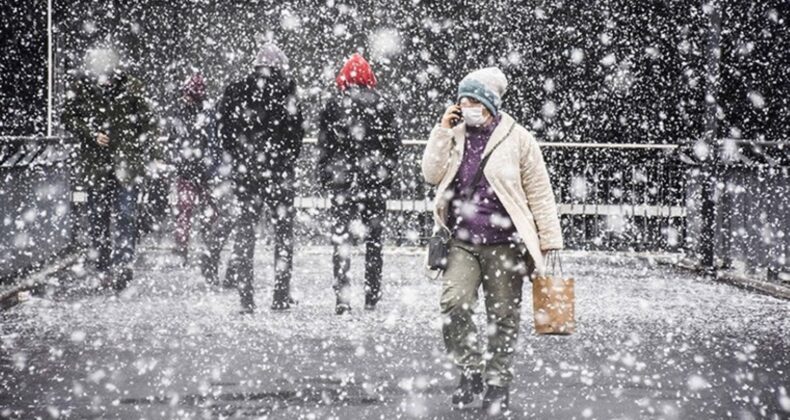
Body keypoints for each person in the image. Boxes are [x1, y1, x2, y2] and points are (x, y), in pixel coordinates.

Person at [421, 67, 563, 413]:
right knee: (454, 304)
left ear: (489, 103)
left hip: (505, 243)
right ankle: (471, 369)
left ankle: (498, 384)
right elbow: (430, 173)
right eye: (462, 101)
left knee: (502, 316)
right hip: (462, 240)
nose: (466, 107)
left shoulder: (518, 139)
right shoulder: (454, 134)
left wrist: (549, 240)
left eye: (473, 101)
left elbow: (540, 192)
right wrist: (442, 131)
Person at [212, 41, 305, 313]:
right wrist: (284, 158)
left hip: (246, 173)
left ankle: (246, 298)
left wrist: (241, 158)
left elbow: (224, 130)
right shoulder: (287, 92)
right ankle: (280, 294)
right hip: (278, 173)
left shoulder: (237, 90)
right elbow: (296, 133)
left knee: (245, 232)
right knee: (283, 234)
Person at [62, 47, 159, 291]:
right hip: (97, 165)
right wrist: (91, 133)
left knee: (125, 215)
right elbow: (68, 117)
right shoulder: (82, 88)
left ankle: (122, 264)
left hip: (124, 164)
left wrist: (135, 145)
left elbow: (148, 121)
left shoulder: (131, 87)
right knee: (98, 218)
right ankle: (105, 266)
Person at [317, 53, 401, 314]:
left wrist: (326, 175)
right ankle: (372, 295)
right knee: (374, 241)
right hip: (373, 181)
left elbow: (325, 146)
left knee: (341, 240)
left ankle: (342, 298)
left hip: (343, 182)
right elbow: (393, 147)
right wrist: (385, 174)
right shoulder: (383, 105)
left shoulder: (333, 105)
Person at [168, 73, 220, 265]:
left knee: (191, 211)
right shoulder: (200, 113)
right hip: (193, 170)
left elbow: (212, 142)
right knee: (188, 211)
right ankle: (190, 248)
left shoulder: (202, 113)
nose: (185, 97)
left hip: (198, 170)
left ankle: (194, 247)